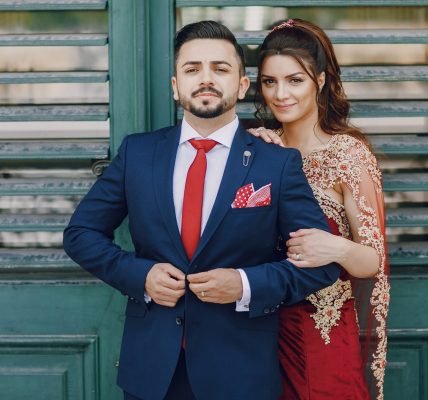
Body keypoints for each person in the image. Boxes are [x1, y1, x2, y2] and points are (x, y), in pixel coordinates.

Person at [63, 20, 341, 400]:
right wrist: (141, 276)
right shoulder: (137, 153)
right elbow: (80, 234)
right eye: (192, 69)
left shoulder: (276, 163)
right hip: (151, 372)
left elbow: (322, 264)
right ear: (176, 86)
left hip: (241, 374)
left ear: (242, 85)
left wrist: (243, 285)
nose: (206, 79)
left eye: (220, 69)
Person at [250, 18, 390, 400]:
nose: (280, 94)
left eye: (295, 80)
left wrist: (337, 248)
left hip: (321, 337)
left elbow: (371, 261)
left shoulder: (348, 155)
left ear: (321, 81)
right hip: (255, 331)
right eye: (269, 82)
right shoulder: (254, 147)